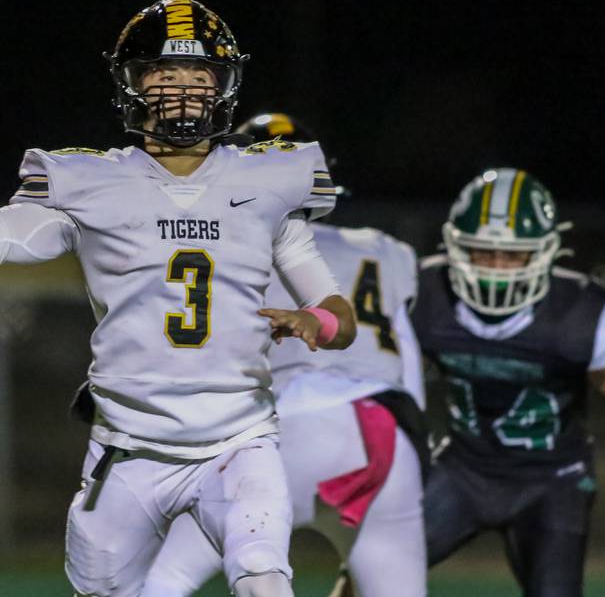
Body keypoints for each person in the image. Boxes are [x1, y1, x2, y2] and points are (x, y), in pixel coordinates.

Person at [0, 0, 356, 597]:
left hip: (240, 443)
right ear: (132, 86)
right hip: (128, 447)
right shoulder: (89, 183)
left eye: (200, 77)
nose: (183, 92)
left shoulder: (270, 179)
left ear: (225, 88)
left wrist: (314, 320)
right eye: (163, 75)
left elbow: (340, 316)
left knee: (264, 581)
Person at [144, 113, 428, 597]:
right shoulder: (386, 250)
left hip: (286, 429)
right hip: (384, 439)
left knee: (158, 580)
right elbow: (409, 369)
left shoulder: (223, 248)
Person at [412, 168, 605, 597]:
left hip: (553, 480)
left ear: (544, 253)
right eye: (484, 252)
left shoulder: (582, 312)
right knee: (369, 569)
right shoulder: (425, 292)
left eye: (512, 255)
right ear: (457, 248)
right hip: (464, 470)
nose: (497, 268)